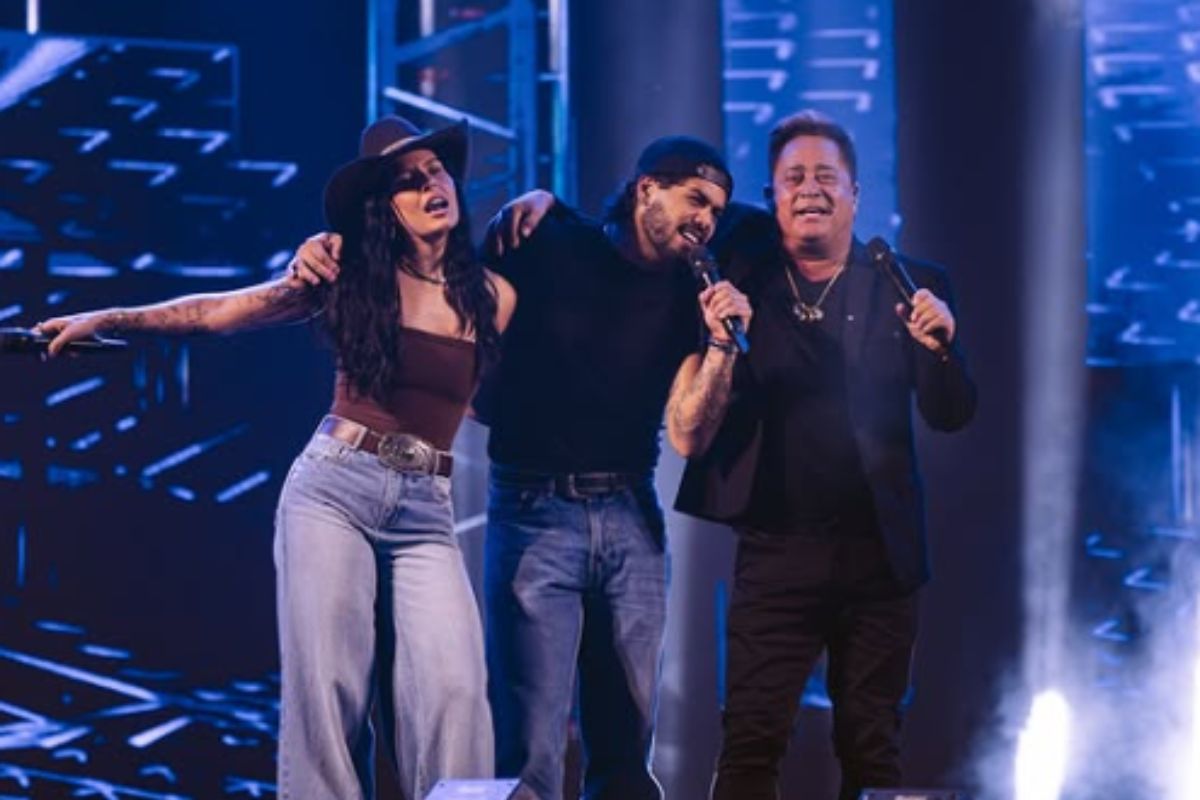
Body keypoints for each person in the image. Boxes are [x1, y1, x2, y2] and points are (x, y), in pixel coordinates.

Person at [35, 115, 517, 800]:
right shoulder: (346, 273)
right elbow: (219, 313)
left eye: (435, 171)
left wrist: (543, 203)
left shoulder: (495, 297)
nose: (430, 185)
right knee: (327, 689)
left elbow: (507, 391)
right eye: (408, 183)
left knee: (458, 688)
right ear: (386, 208)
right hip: (335, 491)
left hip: (426, 510)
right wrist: (110, 318)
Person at [293, 136, 751, 800]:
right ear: (648, 186)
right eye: (697, 199)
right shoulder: (546, 240)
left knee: (627, 746)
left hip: (631, 516)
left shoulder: (691, 294)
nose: (707, 220)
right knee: (530, 748)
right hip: (536, 509)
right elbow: (442, 298)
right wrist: (327, 248)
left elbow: (688, 434)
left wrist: (720, 349)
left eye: (717, 210)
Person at [668, 110, 977, 800]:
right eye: (793, 178)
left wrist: (944, 346)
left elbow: (952, 414)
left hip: (880, 555)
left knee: (873, 745)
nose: (810, 189)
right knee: (750, 740)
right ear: (772, 196)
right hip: (777, 550)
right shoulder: (739, 279)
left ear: (857, 194)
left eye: (826, 176)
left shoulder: (908, 285)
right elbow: (673, 220)